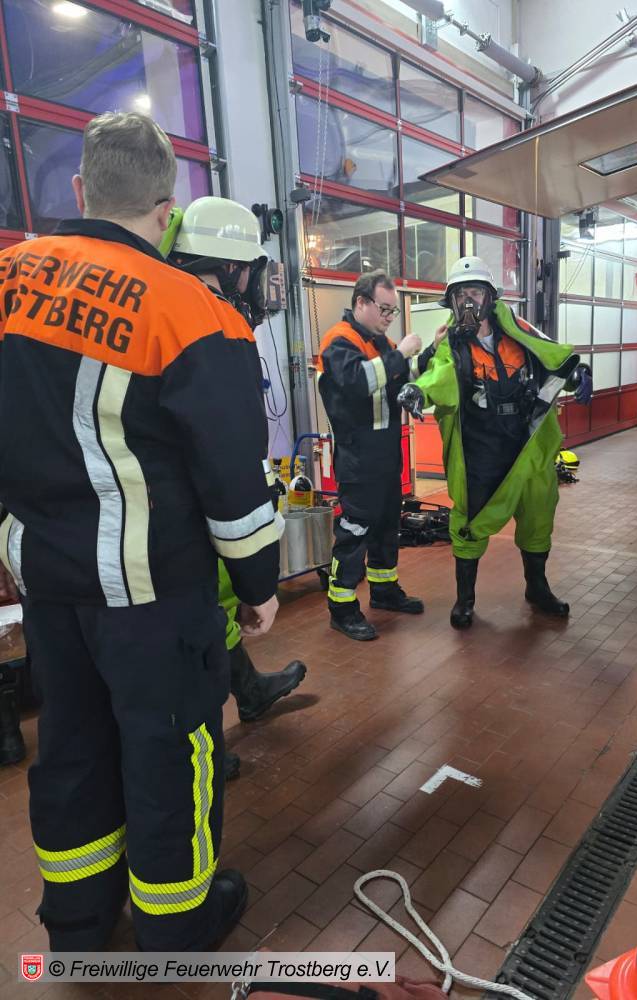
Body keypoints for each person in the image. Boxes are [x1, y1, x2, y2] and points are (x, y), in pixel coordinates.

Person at [0, 112, 281, 952]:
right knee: (169, 748)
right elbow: (231, 476)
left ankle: (77, 921)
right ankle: (176, 920)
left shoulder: (7, 278)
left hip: (47, 585)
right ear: (166, 213)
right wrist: (258, 585)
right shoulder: (193, 312)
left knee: (72, 745)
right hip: (152, 593)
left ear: (80, 189)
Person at [167, 196, 307, 777]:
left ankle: (246, 693)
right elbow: (228, 461)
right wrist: (259, 582)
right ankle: (198, 754)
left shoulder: (160, 305)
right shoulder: (211, 325)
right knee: (191, 636)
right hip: (182, 528)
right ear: (230, 266)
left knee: (208, 617)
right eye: (250, 269)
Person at [398, 256, 592, 629]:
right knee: (470, 518)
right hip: (480, 449)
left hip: (526, 442)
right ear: (451, 302)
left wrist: (577, 372)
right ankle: (465, 600)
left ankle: (537, 588)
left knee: (538, 511)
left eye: (475, 291)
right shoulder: (451, 343)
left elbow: (550, 355)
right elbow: (440, 375)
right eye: (460, 294)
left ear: (490, 297)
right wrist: (419, 391)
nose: (468, 301)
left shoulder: (519, 329)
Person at [316, 270, 424, 641]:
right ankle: (342, 609)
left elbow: (403, 375)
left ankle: (384, 590)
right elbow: (359, 382)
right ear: (361, 302)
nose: (389, 317)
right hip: (358, 460)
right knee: (355, 532)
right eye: (384, 309)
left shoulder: (379, 343)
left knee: (385, 528)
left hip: (385, 457)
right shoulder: (339, 341)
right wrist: (402, 352)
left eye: (393, 311)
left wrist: (430, 352)